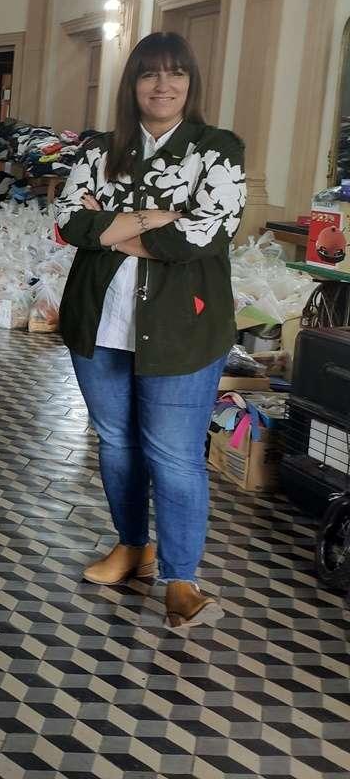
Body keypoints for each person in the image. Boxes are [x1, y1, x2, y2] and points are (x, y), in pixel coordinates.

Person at [56, 31, 246, 630]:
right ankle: (132, 545)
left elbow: (206, 233)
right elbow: (68, 222)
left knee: (174, 453)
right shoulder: (99, 147)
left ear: (191, 82)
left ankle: (181, 578)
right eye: (149, 74)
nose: (162, 85)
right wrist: (157, 218)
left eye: (175, 73)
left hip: (182, 327)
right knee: (116, 441)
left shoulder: (217, 149)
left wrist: (113, 227)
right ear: (132, 84)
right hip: (100, 320)